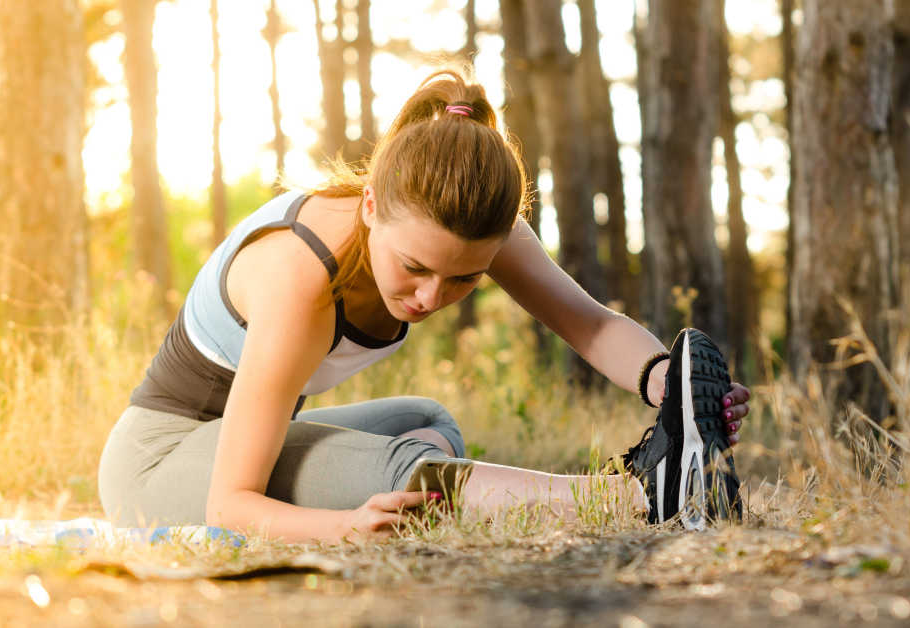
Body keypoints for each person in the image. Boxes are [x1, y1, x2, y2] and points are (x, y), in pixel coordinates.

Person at [97, 70, 751, 542]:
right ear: (372, 207)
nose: (432, 297)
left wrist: (670, 386)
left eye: (464, 280)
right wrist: (344, 524)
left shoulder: (467, 223)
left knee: (428, 421)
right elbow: (229, 504)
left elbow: (592, 324)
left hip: (245, 443)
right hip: (159, 464)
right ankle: (636, 498)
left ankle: (662, 477)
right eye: (414, 268)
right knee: (407, 473)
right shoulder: (300, 276)